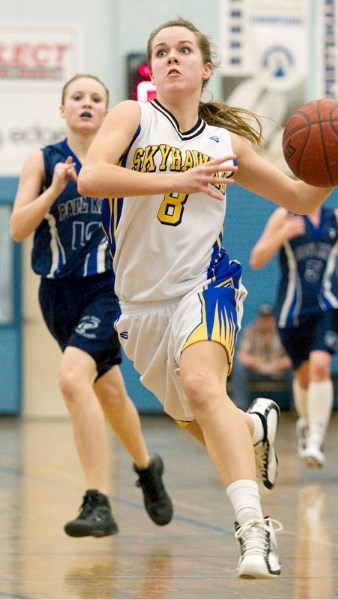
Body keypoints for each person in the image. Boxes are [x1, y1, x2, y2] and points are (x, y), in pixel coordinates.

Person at [77, 18, 335, 578]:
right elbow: (92, 178)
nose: (172, 58)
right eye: (161, 51)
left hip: (205, 283)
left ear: (205, 68)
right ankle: (250, 428)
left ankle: (255, 530)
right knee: (200, 419)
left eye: (184, 49)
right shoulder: (132, 116)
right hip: (140, 304)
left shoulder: (226, 142)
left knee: (200, 385)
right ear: (152, 68)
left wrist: (337, 165)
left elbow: (295, 193)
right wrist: (176, 179)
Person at [9, 73, 173, 538]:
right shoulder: (42, 161)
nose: (86, 103)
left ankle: (97, 500)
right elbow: (18, 229)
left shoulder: (118, 161)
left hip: (108, 289)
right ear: (63, 110)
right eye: (76, 97)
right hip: (57, 294)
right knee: (110, 393)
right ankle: (147, 467)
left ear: (106, 112)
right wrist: (52, 189)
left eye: (95, 98)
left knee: (71, 377)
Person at [250, 205, 338, 468]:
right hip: (291, 311)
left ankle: (317, 438)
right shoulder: (284, 215)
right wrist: (281, 234)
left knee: (320, 366)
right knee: (303, 375)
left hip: (327, 305)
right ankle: (306, 424)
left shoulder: (336, 217)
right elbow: (257, 258)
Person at [231, 303, 292, 409]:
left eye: (268, 318)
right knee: (240, 368)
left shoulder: (283, 331)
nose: (265, 322)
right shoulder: (251, 331)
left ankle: (296, 408)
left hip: (278, 369)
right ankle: (241, 406)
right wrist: (257, 364)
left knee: (295, 369)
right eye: (263, 318)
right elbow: (242, 355)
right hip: (256, 369)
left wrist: (277, 365)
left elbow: (291, 357)